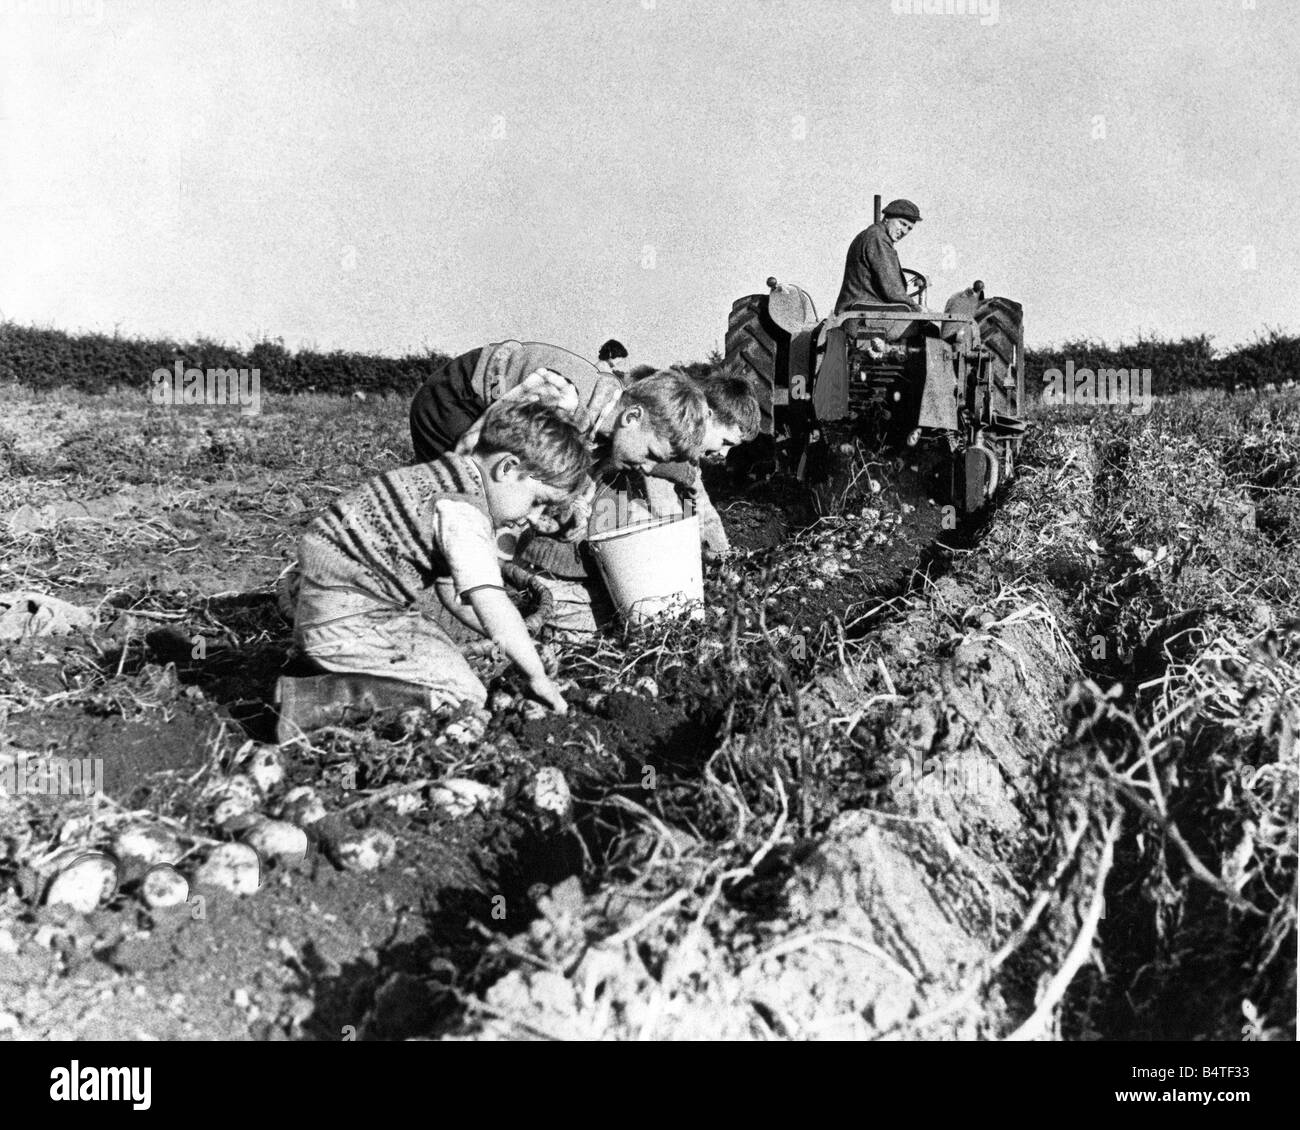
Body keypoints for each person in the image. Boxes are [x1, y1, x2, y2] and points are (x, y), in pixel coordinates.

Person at [275, 399, 591, 740]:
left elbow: (456, 597)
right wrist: (536, 675)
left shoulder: (443, 478)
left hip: (330, 602)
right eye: (537, 500)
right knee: (464, 694)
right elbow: (491, 602)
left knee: (435, 647)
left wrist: (517, 644)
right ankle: (311, 703)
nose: (533, 517)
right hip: (348, 618)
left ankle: (324, 665)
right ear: (508, 468)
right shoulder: (464, 512)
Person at [833, 198, 923, 314]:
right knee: (931, 328)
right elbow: (893, 290)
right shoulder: (877, 238)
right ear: (887, 218)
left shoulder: (873, 235)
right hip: (863, 314)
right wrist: (917, 308)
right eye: (902, 223)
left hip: (864, 311)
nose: (904, 231)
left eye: (909, 228)